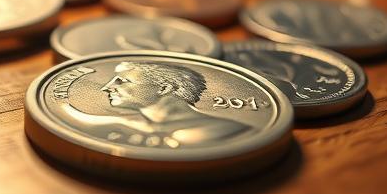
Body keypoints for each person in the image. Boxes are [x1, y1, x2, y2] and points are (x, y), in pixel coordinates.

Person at [62, 60, 250, 148]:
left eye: (123, 81)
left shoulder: (224, 129)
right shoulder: (129, 124)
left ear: (164, 88)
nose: (106, 88)